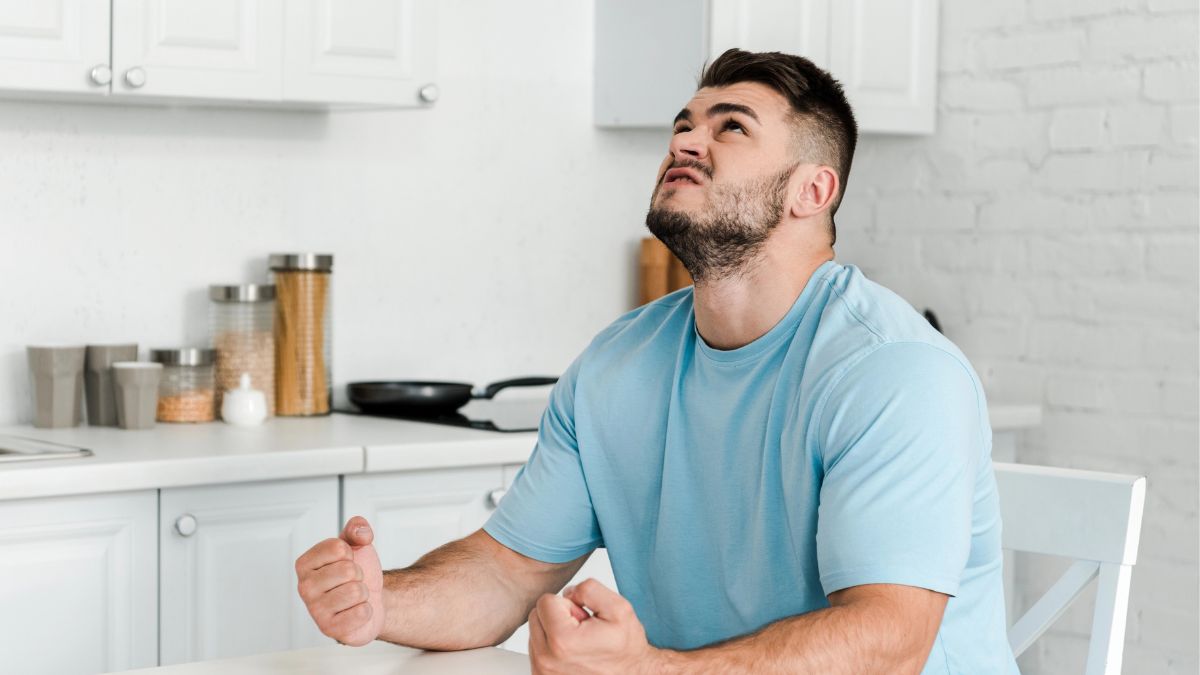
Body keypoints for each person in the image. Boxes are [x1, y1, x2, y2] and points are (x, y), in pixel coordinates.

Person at [295, 48, 1017, 674]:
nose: (687, 141)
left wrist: (649, 666)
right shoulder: (619, 364)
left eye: (730, 125)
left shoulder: (892, 372)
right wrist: (382, 598)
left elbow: (887, 646)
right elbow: (505, 572)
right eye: (684, 124)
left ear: (812, 190)